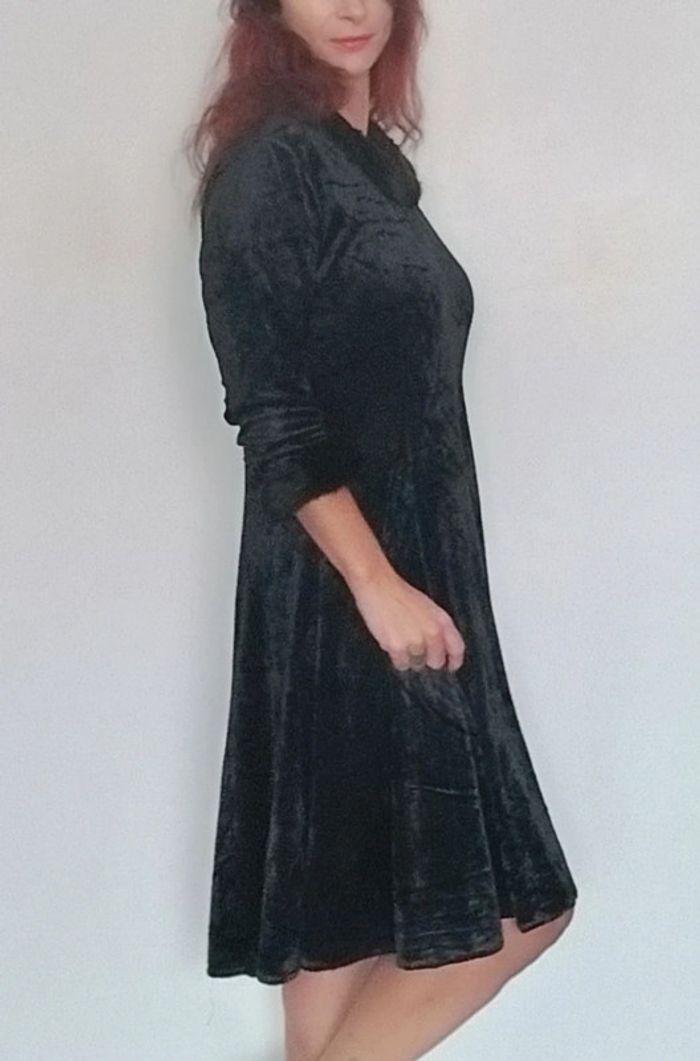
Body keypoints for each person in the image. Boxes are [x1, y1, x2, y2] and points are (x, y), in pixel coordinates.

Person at [189, 1, 578, 1057]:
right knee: (520, 907)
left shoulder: (371, 169)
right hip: (343, 595)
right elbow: (271, 414)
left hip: (410, 576)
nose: (351, 5)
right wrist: (376, 584)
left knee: (343, 932)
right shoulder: (271, 165)